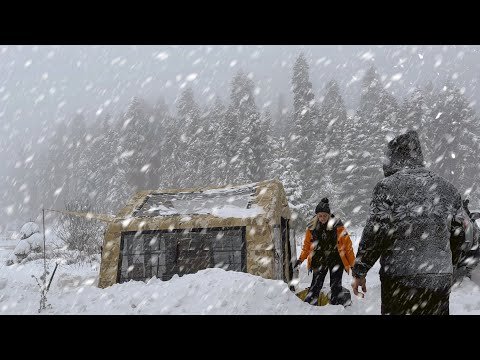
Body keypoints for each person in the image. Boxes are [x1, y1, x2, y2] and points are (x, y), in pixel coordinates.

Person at [351, 130, 472, 315]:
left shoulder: (387, 187)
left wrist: (360, 270)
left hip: (400, 278)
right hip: (438, 279)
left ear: (393, 158)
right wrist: (447, 264)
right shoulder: (448, 189)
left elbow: (376, 232)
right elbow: (459, 235)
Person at [294, 198, 355, 306]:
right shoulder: (311, 228)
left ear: (329, 215)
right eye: (320, 216)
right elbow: (307, 247)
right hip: (319, 260)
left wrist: (353, 265)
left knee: (336, 286)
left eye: (324, 216)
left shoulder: (338, 227)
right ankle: (309, 307)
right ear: (317, 215)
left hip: (336, 259)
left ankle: (336, 308)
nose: (322, 218)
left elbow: (348, 248)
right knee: (315, 286)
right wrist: (300, 259)